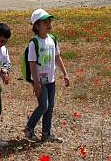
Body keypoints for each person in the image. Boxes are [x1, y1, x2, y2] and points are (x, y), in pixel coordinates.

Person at [23, 9, 70, 144]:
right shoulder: (34, 43)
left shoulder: (52, 39)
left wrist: (65, 74)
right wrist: (36, 83)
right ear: (36, 26)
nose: (49, 24)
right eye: (45, 22)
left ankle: (46, 133)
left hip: (51, 79)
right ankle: (29, 129)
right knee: (43, 105)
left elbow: (57, 57)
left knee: (50, 107)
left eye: (49, 21)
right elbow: (32, 63)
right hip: (39, 81)